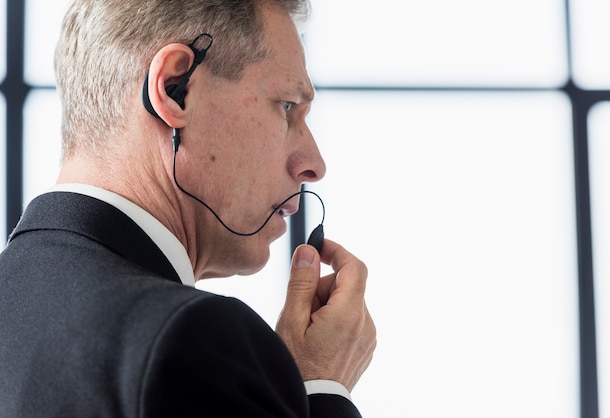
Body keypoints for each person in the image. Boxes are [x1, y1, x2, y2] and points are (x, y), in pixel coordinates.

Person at [0, 0, 376, 416]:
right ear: (175, 87)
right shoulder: (191, 339)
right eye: (287, 106)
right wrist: (320, 389)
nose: (314, 165)